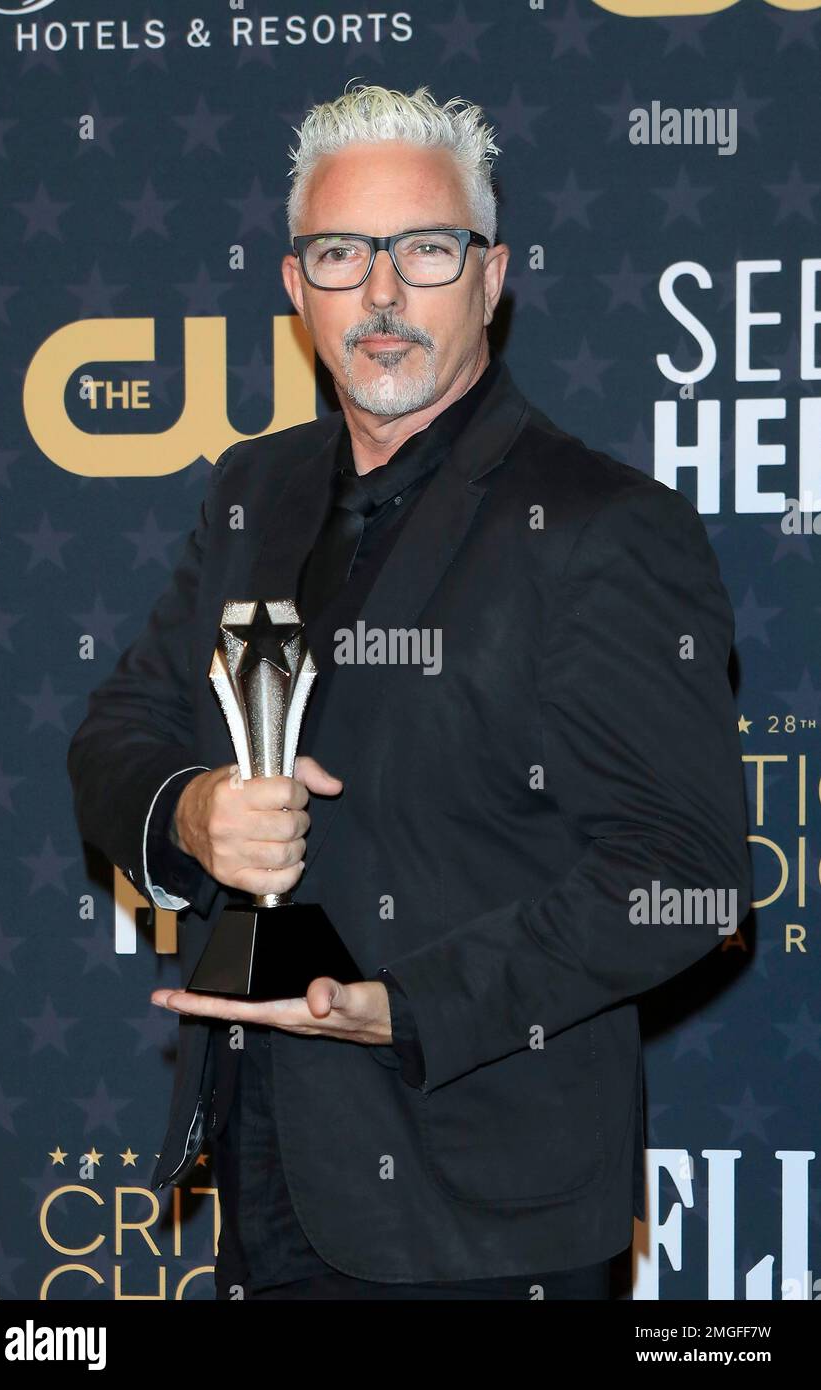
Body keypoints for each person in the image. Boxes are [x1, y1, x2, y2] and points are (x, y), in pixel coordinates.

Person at [67, 82, 753, 1301]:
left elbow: (682, 879)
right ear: (294, 289)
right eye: (341, 254)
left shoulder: (602, 528)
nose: (381, 295)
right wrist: (189, 810)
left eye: (424, 250)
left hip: (482, 1223)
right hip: (262, 1182)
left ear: (490, 279)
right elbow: (120, 733)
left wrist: (400, 1006)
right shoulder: (252, 492)